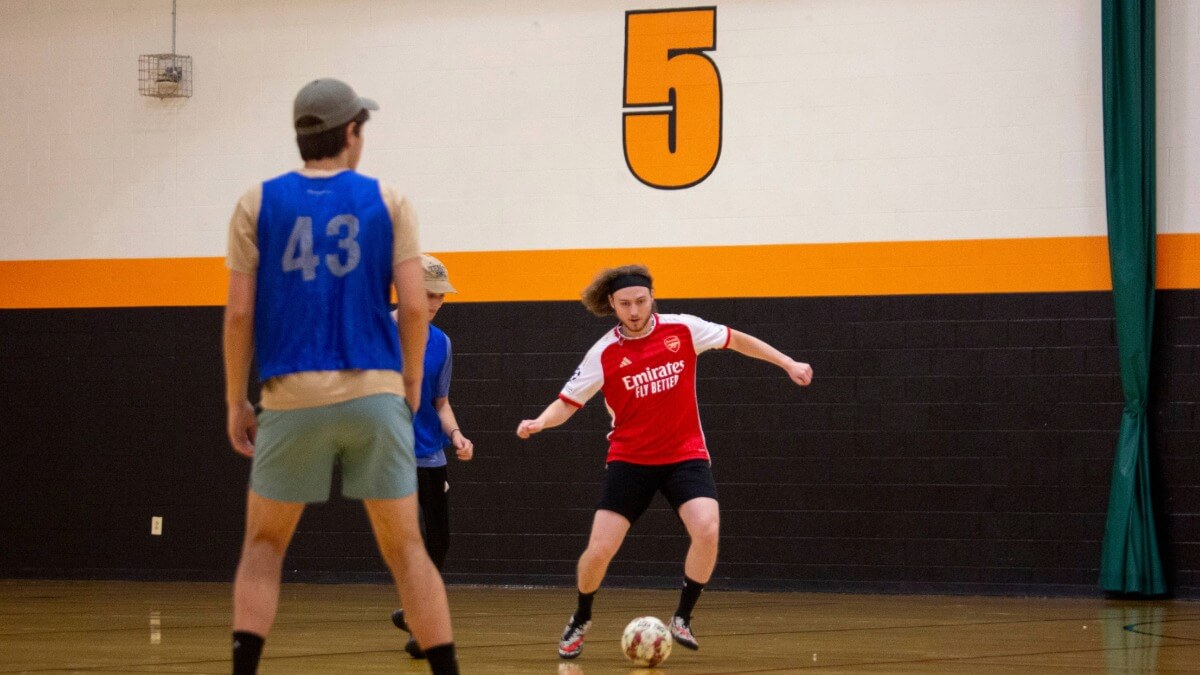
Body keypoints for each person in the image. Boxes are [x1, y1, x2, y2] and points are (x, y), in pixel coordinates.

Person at [223, 78, 458, 675]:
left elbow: (239, 313)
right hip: (374, 392)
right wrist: (407, 388)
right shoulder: (389, 200)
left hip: (291, 395)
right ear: (351, 132)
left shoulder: (256, 202)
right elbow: (411, 303)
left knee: (263, 546)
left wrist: (235, 401)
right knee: (408, 551)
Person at [515, 264, 813, 660]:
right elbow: (567, 403)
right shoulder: (603, 353)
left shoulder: (683, 329)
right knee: (599, 550)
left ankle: (682, 617)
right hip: (630, 459)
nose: (634, 311)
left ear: (653, 297)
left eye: (641, 301)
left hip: (684, 455)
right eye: (625, 304)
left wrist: (788, 362)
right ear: (612, 305)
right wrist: (540, 421)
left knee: (707, 528)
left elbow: (737, 340)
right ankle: (581, 617)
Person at [389, 254, 475, 659]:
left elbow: (441, 403)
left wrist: (456, 434)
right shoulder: (376, 333)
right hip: (389, 455)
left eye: (440, 295)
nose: (436, 301)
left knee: (439, 538)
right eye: (428, 293)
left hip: (430, 454)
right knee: (409, 541)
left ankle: (412, 608)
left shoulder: (442, 343)